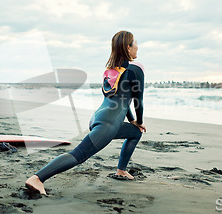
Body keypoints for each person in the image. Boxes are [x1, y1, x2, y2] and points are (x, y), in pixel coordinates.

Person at [25, 30, 146, 195]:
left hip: (99, 118)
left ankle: (121, 170)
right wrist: (139, 120)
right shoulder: (135, 70)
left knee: (135, 133)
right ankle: (38, 178)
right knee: (80, 154)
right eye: (135, 43)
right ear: (128, 47)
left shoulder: (110, 71)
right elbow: (138, 101)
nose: (137, 47)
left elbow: (121, 99)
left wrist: (133, 123)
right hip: (108, 124)